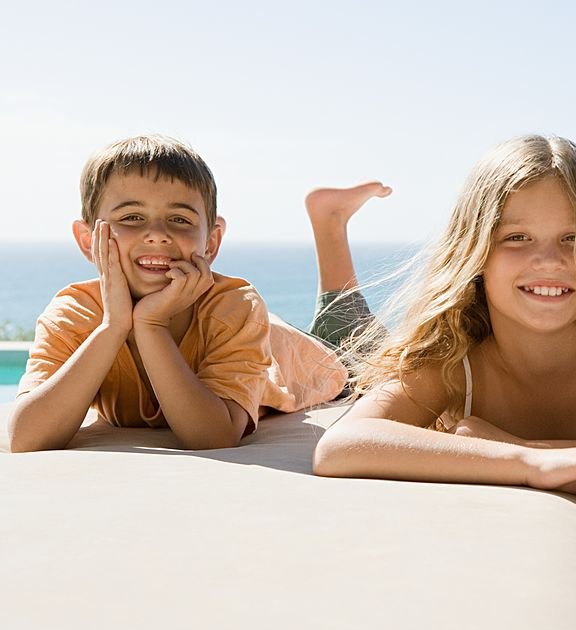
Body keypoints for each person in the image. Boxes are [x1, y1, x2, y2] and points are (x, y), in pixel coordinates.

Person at [310, 134, 576, 502]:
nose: (548, 260)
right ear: (474, 252)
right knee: (344, 334)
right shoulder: (456, 356)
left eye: (575, 238)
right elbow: (341, 445)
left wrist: (514, 445)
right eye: (516, 238)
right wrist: (526, 461)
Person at [9, 135, 348, 452]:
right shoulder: (76, 312)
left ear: (211, 241)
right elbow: (26, 437)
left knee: (348, 334)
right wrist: (113, 327)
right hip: (262, 337)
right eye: (131, 217)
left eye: (180, 220)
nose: (157, 234)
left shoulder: (235, 306)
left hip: (312, 362)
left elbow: (214, 437)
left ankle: (329, 219)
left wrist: (150, 325)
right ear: (87, 240)